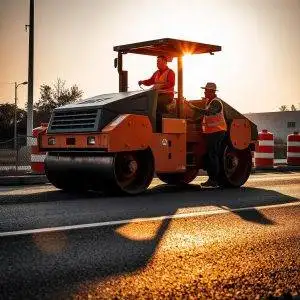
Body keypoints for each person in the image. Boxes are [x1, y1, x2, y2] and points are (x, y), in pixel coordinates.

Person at [187, 82, 227, 187]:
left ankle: (214, 180)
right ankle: (212, 179)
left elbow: (208, 113)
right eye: (204, 90)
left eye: (206, 91)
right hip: (212, 132)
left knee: (212, 155)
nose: (204, 92)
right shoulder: (209, 102)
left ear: (212, 92)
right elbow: (204, 116)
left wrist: (193, 107)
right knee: (211, 155)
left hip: (217, 132)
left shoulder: (216, 103)